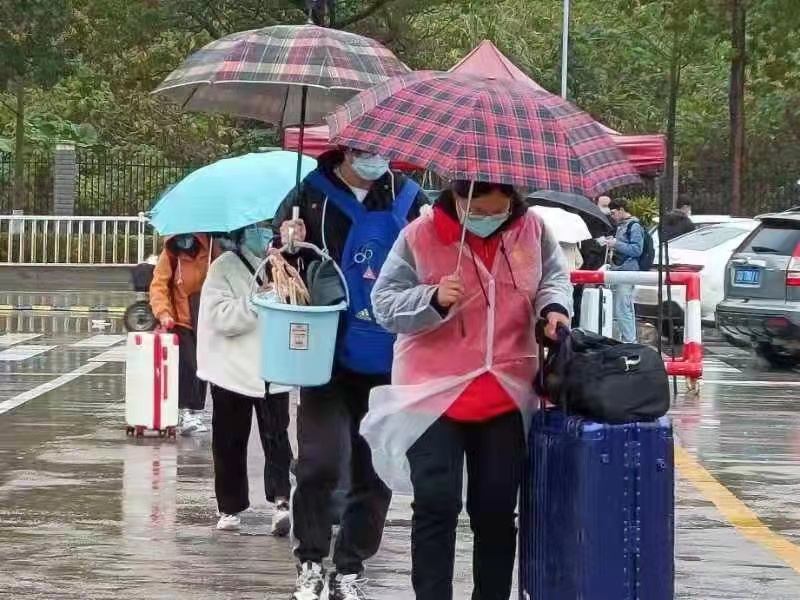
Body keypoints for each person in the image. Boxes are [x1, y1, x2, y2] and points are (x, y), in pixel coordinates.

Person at [366, 180, 572, 600]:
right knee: (436, 504)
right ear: (457, 198)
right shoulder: (421, 235)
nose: (485, 220)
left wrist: (553, 309)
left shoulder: (533, 230)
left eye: (496, 212)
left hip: (506, 392)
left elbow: (553, 278)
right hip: (432, 393)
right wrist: (432, 298)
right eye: (475, 213)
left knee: (496, 511)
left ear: (512, 201)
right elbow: (384, 304)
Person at [272, 146, 429, 600]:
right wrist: (286, 244)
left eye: (383, 150)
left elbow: (434, 261)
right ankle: (309, 561)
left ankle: (351, 567)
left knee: (374, 471)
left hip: (390, 355)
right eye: (365, 150)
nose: (374, 158)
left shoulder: (410, 198)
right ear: (346, 148)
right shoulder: (309, 195)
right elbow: (277, 265)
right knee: (319, 461)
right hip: (327, 354)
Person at [196, 226, 292, 535]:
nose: (263, 233)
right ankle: (230, 507)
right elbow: (221, 317)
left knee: (277, 438)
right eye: (255, 228)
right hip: (231, 370)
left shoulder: (279, 263)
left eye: (266, 227)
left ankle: (282, 501)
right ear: (241, 234)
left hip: (272, 368)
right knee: (229, 440)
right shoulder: (223, 267)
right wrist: (257, 301)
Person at [150, 233, 213, 435]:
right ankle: (186, 411)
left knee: (203, 368)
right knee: (188, 367)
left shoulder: (211, 251)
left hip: (206, 319)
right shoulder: (170, 254)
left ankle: (195, 411)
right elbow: (159, 286)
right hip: (181, 320)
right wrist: (163, 313)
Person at [605, 198, 644, 343]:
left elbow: (637, 249)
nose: (612, 216)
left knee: (622, 307)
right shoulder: (621, 226)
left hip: (628, 271)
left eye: (613, 213)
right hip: (618, 270)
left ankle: (629, 341)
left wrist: (617, 244)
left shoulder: (634, 226)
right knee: (622, 307)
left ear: (621, 210)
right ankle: (625, 339)